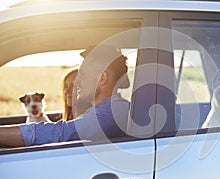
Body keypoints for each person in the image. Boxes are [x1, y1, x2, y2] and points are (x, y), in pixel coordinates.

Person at [0, 46, 130, 147]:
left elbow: (62, 133)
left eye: (83, 75)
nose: (77, 82)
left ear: (102, 78)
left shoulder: (111, 113)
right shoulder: (107, 110)